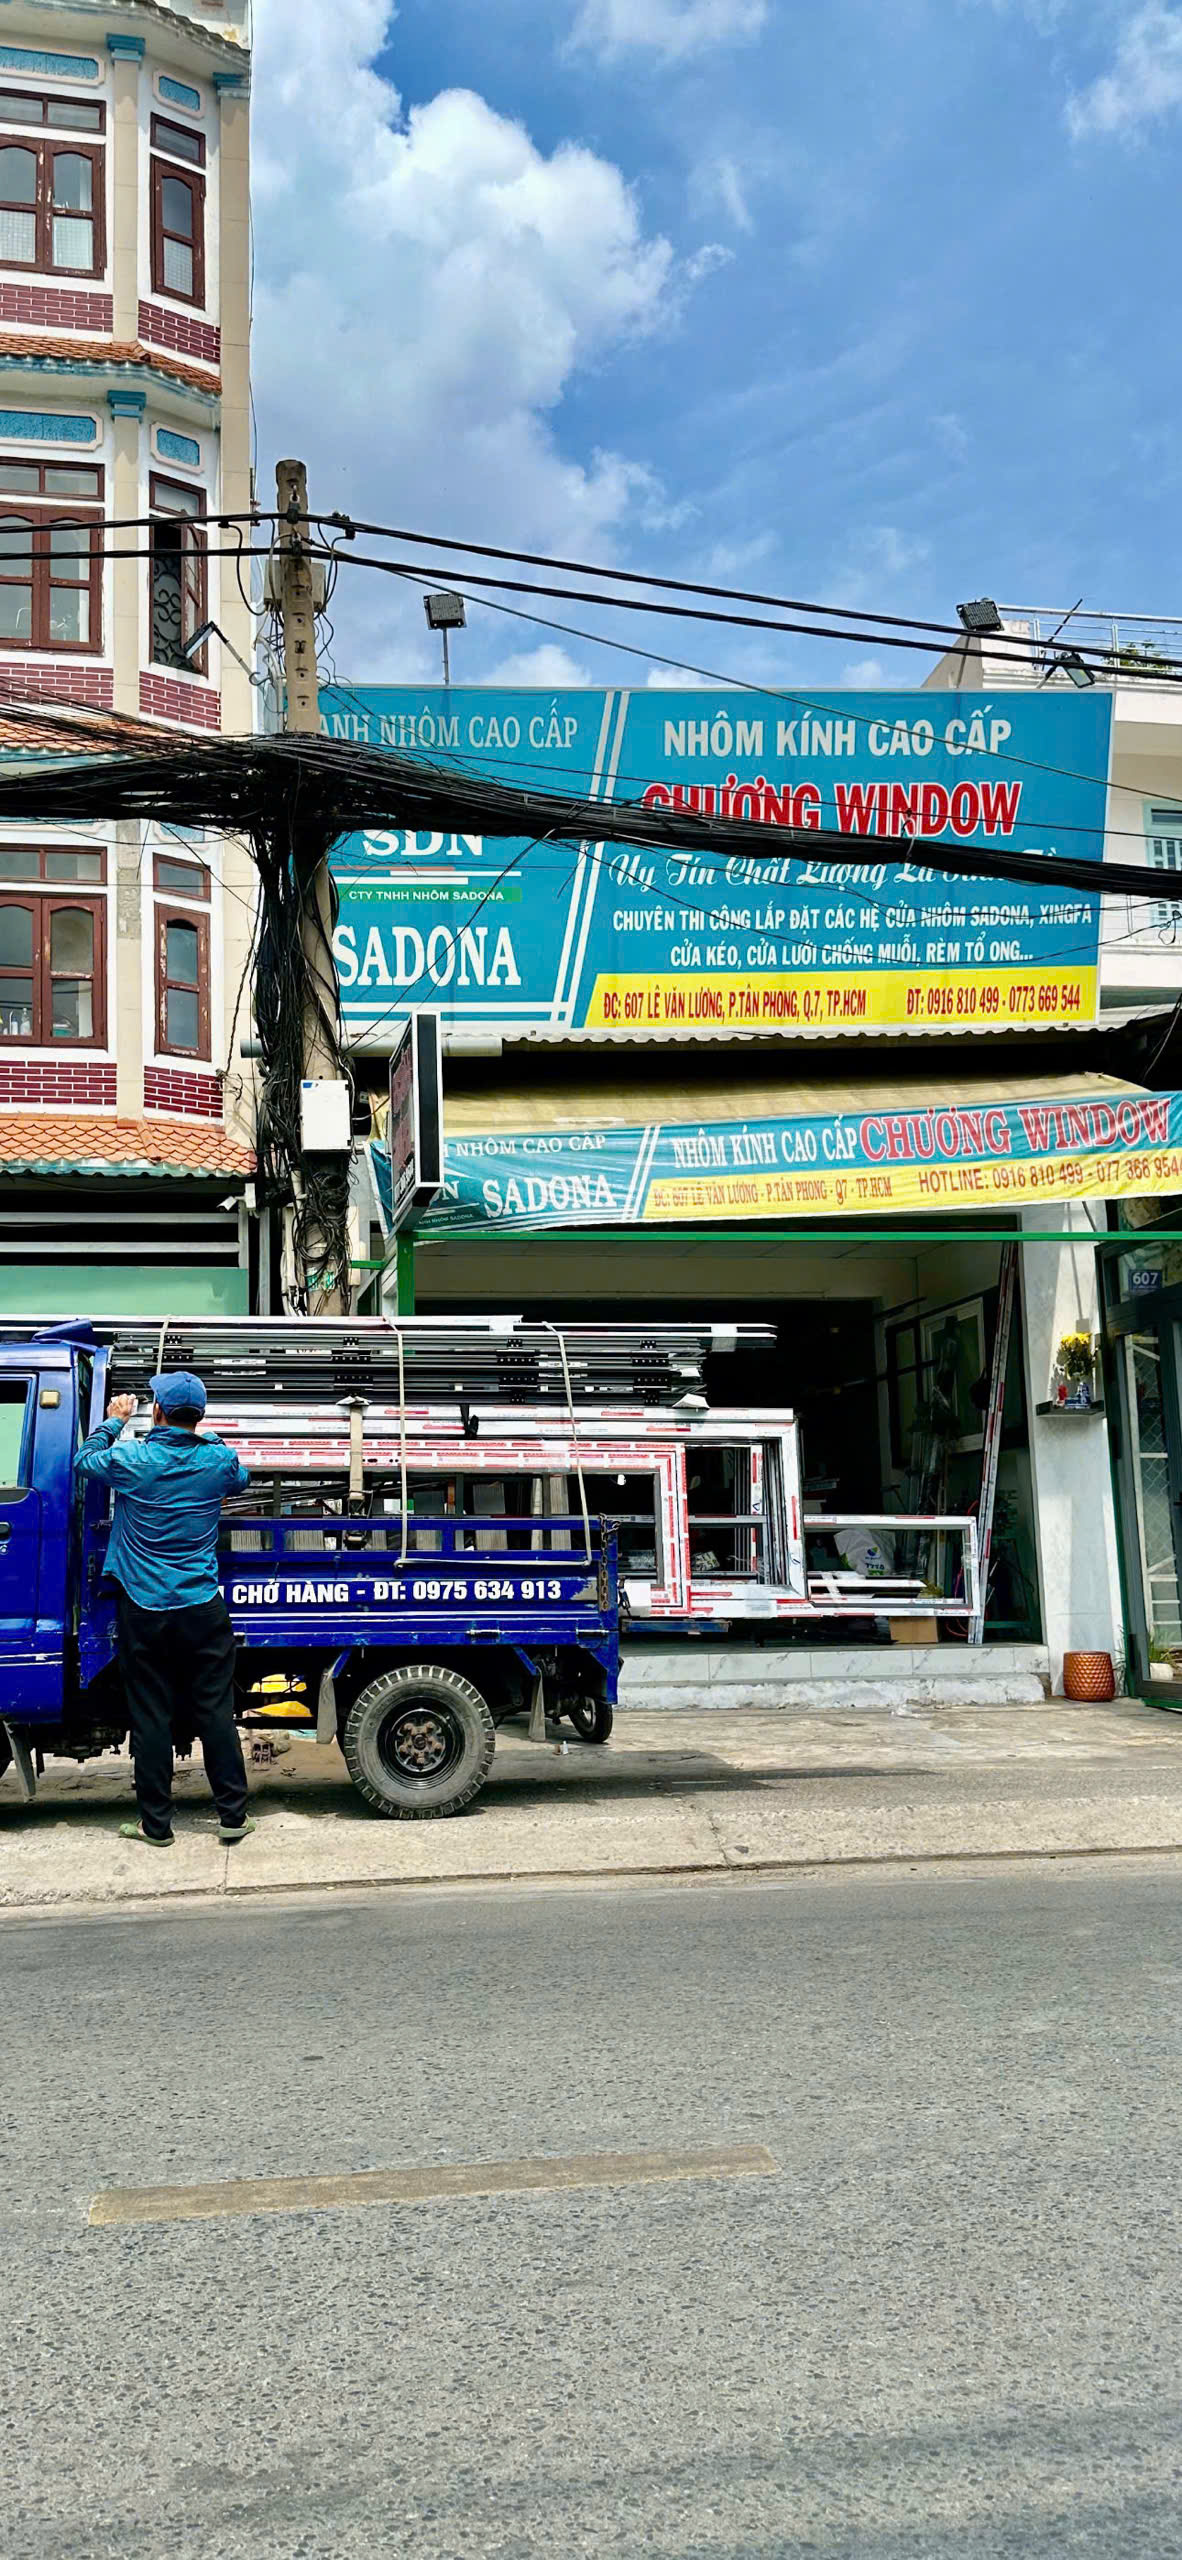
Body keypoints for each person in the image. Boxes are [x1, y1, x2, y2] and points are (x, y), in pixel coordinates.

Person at [74, 1369, 255, 1849]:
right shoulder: (216, 1461)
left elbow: (84, 1460)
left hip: (146, 1608)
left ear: (156, 1412)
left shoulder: (134, 1458)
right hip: (201, 1607)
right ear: (198, 1417)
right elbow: (242, 1476)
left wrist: (115, 1420)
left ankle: (157, 1826)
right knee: (215, 1712)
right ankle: (232, 1818)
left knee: (150, 1716)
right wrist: (205, 1434)